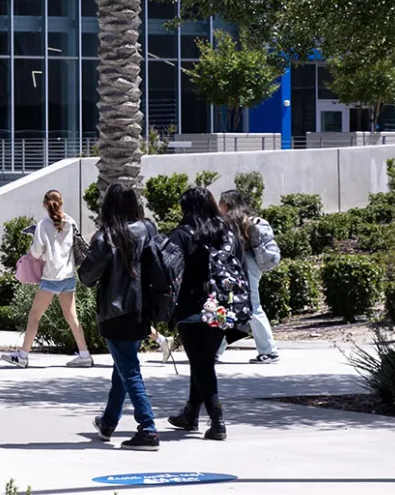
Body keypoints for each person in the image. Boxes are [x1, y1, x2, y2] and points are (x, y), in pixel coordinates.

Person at [78, 185, 161, 450]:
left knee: (129, 369)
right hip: (143, 310)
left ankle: (147, 428)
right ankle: (108, 422)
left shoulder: (106, 237)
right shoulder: (148, 229)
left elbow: (86, 277)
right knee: (122, 367)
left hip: (115, 312)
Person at [165, 187, 250, 441]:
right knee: (202, 362)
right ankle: (190, 414)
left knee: (202, 365)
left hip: (192, 309)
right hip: (223, 308)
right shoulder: (228, 233)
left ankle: (217, 421)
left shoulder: (182, 234)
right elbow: (241, 269)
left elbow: (168, 270)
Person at [4, 188, 96, 368]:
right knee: (72, 317)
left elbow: (37, 252)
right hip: (68, 275)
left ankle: (23, 355)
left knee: (34, 316)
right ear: (61, 204)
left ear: (45, 204)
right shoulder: (70, 222)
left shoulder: (43, 225)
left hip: (51, 277)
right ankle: (84, 354)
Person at [219, 189, 282, 363]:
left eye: (221, 202)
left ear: (227, 204)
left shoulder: (232, 222)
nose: (219, 206)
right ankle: (215, 351)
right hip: (251, 266)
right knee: (232, 308)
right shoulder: (247, 220)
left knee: (251, 307)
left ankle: (269, 351)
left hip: (241, 265)